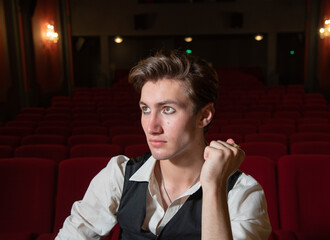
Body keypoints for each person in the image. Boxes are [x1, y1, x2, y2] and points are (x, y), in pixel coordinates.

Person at [55, 49, 271, 239]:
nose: (152, 127)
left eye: (168, 109)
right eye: (145, 109)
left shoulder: (242, 193)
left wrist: (213, 186)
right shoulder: (119, 175)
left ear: (204, 116)